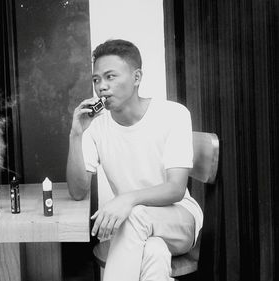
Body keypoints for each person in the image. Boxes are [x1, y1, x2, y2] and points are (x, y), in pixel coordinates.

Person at [66, 39, 203, 281]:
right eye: (96, 80)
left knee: (135, 216)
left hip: (178, 219)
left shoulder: (173, 115)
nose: (101, 87)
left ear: (137, 77)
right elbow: (78, 191)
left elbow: (176, 189)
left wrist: (128, 200)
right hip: (136, 231)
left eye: (110, 77)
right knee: (154, 252)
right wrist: (76, 135)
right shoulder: (95, 127)